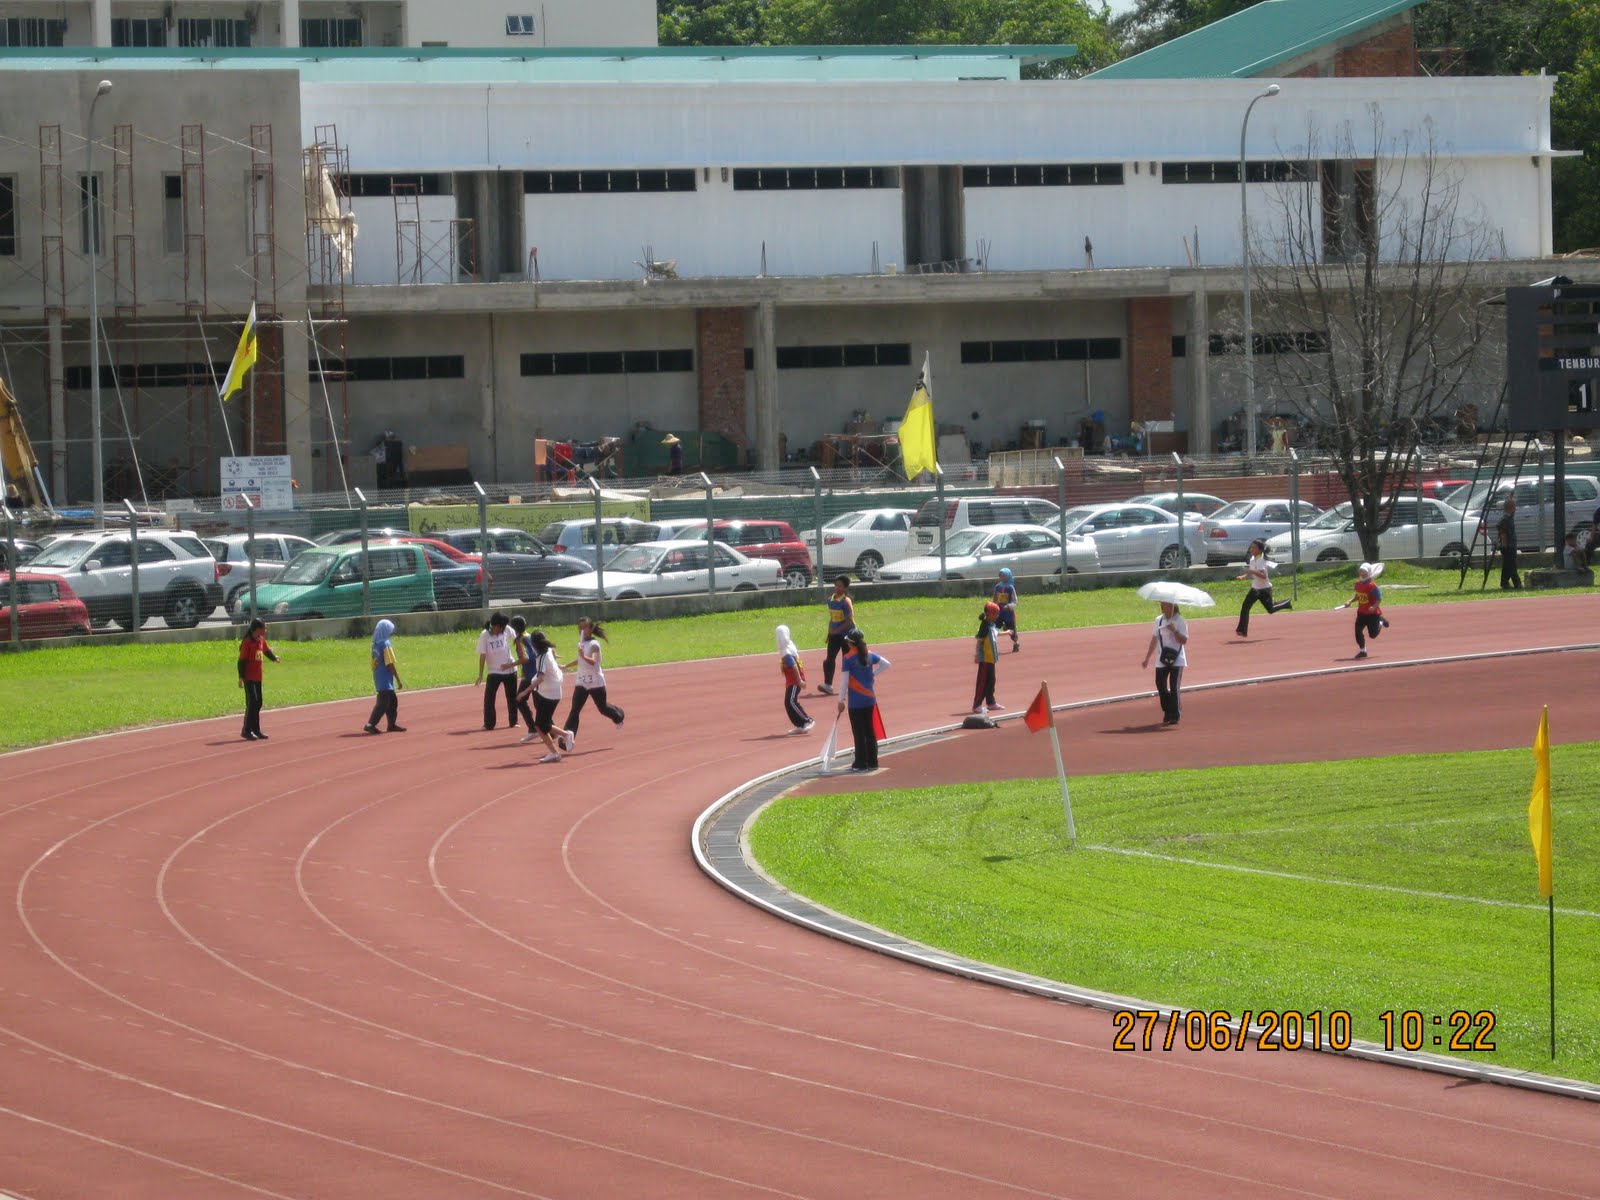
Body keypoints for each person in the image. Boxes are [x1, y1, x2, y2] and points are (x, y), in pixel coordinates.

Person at [561, 616, 625, 749]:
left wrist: (583, 655)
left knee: (602, 708)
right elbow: (580, 660)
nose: (582, 630)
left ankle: (618, 716)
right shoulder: (581, 643)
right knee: (575, 710)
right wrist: (566, 666)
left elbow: (594, 661)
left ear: (591, 629)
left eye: (585, 627)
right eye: (580, 628)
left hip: (595, 682)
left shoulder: (594, 644)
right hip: (582, 682)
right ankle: (567, 740)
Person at [838, 628, 890, 771]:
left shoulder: (847, 658)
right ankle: (873, 762)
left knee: (859, 733)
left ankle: (860, 763)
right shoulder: (870, 654)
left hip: (855, 702)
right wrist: (873, 674)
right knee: (870, 731)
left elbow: (844, 681)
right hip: (870, 699)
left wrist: (840, 700)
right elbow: (886, 664)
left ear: (850, 643)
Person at [517, 629, 566, 762]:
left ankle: (564, 739)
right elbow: (552, 659)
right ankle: (559, 745)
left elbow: (540, 678)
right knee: (542, 725)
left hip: (549, 694)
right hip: (549, 692)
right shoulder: (546, 651)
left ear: (534, 644)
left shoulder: (542, 657)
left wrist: (524, 692)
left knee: (540, 725)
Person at [1140, 601, 1187, 725]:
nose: (1165, 606)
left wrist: (1174, 630)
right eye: (1164, 604)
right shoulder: (1158, 620)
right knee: (1160, 684)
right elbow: (1154, 639)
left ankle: (1175, 714)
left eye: (1168, 604)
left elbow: (1184, 641)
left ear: (1173, 606)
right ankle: (1167, 710)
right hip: (1162, 658)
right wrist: (1147, 658)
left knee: (1174, 686)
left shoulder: (1180, 620)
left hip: (1177, 659)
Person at [1234, 538, 1292, 637]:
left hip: (1264, 589)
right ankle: (1242, 630)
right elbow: (1252, 573)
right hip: (1255, 588)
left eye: (1253, 548)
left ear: (1260, 550)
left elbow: (1263, 576)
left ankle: (1286, 603)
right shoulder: (1253, 559)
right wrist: (1243, 577)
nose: (1251, 549)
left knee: (1271, 610)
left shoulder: (1261, 560)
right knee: (1245, 608)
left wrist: (1251, 572)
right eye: (1251, 547)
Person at [236, 617, 280, 741]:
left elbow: (266, 651)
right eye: (263, 628)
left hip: (258, 676)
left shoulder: (260, 640)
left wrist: (274, 658)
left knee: (258, 702)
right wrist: (241, 677)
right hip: (249, 677)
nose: (265, 631)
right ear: (257, 629)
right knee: (252, 702)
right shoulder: (247, 642)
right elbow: (241, 661)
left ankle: (256, 729)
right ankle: (246, 730)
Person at [476, 612, 519, 730]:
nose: (500, 630)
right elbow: (482, 655)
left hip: (510, 670)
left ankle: (513, 721)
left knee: (512, 697)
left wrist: (519, 659)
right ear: (493, 625)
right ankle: (489, 723)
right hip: (494, 671)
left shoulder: (507, 630)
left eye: (502, 628)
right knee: (489, 698)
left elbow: (518, 640)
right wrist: (480, 674)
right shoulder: (485, 635)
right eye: (499, 628)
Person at [363, 618, 405, 733]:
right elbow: (390, 663)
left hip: (379, 675)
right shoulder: (385, 644)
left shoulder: (375, 644)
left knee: (392, 702)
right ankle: (370, 724)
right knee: (383, 703)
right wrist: (398, 679)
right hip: (385, 678)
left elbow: (374, 662)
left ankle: (391, 724)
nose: (391, 632)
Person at [1338, 562, 1387, 659]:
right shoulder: (1358, 584)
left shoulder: (1372, 586)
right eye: (1361, 570)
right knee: (1357, 631)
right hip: (1361, 613)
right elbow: (1358, 596)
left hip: (1372, 614)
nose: (1362, 573)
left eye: (1364, 571)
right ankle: (1363, 651)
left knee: (1372, 635)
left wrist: (1374, 607)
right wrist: (1350, 601)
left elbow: (1379, 598)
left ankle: (1381, 621)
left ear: (1368, 572)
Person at [818, 575, 855, 696]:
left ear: (845, 588)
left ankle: (851, 685)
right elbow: (832, 618)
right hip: (834, 636)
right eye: (836, 585)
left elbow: (849, 621)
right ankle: (828, 685)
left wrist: (837, 630)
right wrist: (830, 632)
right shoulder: (831, 600)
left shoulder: (846, 602)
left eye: (840, 586)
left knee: (848, 660)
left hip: (846, 636)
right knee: (829, 660)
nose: (837, 588)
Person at [773, 623, 814, 733]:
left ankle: (807, 720)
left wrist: (799, 680)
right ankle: (799, 724)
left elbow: (794, 666)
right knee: (788, 702)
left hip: (795, 681)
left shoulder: (786, 651)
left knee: (790, 701)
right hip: (791, 681)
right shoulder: (787, 647)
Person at [972, 601, 1002, 715]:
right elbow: (979, 642)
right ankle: (977, 705)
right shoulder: (984, 627)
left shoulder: (992, 625)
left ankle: (990, 702)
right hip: (985, 659)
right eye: (995, 614)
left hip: (991, 659)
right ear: (989, 614)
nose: (997, 616)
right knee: (982, 682)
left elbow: (996, 633)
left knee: (991, 681)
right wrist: (977, 655)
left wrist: (1008, 632)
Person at [509, 614, 538, 735]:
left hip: (530, 676)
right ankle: (546, 729)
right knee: (538, 704)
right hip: (537, 673)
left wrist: (509, 665)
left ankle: (533, 728)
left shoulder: (520, 640)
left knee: (519, 700)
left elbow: (525, 658)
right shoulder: (529, 636)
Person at [992, 567, 1020, 652]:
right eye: (1000, 575)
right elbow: (995, 597)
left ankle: (1016, 642)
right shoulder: (998, 586)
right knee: (994, 626)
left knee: (1011, 627)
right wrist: (994, 606)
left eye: (1003, 575)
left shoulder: (1010, 588)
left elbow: (1015, 600)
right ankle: (992, 644)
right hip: (998, 611)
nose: (1001, 577)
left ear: (1008, 576)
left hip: (1008, 612)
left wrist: (1009, 606)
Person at [1497, 497, 1521, 590]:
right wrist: (1505, 545)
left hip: (1509, 545)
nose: (1515, 509)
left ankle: (1504, 582)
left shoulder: (1508, 518)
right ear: (1510, 508)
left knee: (1507, 565)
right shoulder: (1506, 519)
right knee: (1511, 565)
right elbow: (1503, 532)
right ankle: (1517, 583)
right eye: (1514, 507)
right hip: (1508, 546)